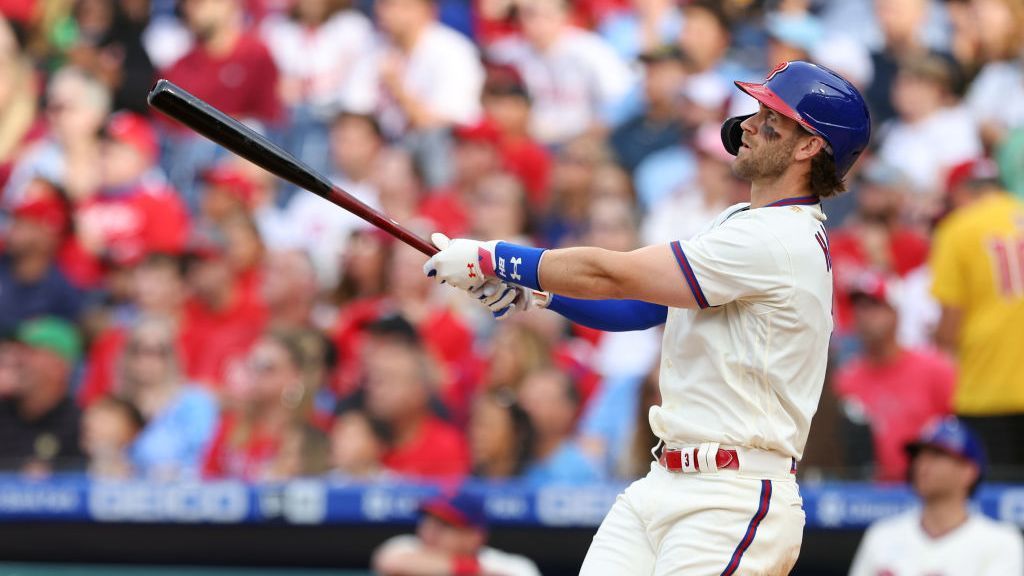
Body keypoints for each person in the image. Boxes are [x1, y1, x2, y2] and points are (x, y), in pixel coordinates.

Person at [425, 60, 871, 573]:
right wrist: (536, 294)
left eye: (771, 115)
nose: (747, 124)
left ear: (810, 145)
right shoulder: (739, 222)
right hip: (664, 480)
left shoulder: (779, 239)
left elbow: (616, 275)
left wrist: (497, 257)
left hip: (732, 496)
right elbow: (641, 305)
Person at [930, 157, 1024, 481]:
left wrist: (940, 338)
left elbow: (950, 322)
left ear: (960, 193)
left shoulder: (959, 228)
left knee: (996, 505)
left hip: (988, 390)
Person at [849, 416, 1024, 575]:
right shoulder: (881, 535)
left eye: (937, 455)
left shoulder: (1001, 542)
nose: (922, 465)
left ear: (969, 471)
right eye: (919, 456)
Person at [834, 273, 955, 482]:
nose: (864, 314)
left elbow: (956, 434)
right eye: (859, 306)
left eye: (874, 305)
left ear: (896, 312)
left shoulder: (936, 370)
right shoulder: (845, 379)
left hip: (922, 489)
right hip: (862, 492)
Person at [372, 490, 541, 576]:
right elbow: (390, 562)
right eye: (428, 522)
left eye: (444, 526)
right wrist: (469, 569)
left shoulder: (512, 565)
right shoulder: (406, 546)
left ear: (475, 537)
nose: (430, 533)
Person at [0, 317, 84, 473]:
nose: (14, 359)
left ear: (59, 366)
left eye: (29, 352)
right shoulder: (4, 412)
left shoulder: (81, 426)